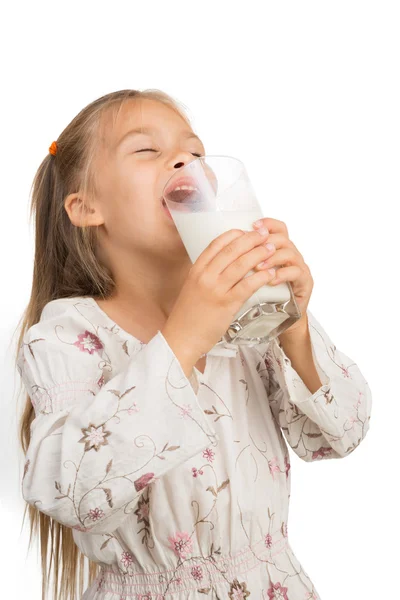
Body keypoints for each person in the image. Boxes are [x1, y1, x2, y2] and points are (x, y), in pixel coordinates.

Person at [14, 89, 372, 600]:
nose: (185, 161)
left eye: (195, 153)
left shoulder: (248, 313)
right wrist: (183, 337)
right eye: (146, 151)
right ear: (86, 206)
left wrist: (294, 325)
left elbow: (342, 434)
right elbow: (66, 488)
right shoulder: (70, 335)